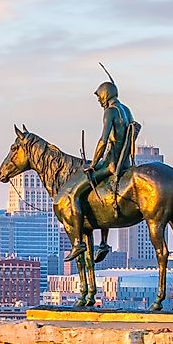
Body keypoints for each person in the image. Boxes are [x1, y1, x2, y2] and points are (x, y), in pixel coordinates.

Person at [64, 76, 137, 265]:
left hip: (111, 163)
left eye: (99, 98)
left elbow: (104, 140)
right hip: (126, 163)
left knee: (75, 195)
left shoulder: (110, 112)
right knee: (101, 197)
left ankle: (79, 242)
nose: (99, 102)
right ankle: (103, 243)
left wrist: (93, 164)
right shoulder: (126, 110)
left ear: (105, 95)